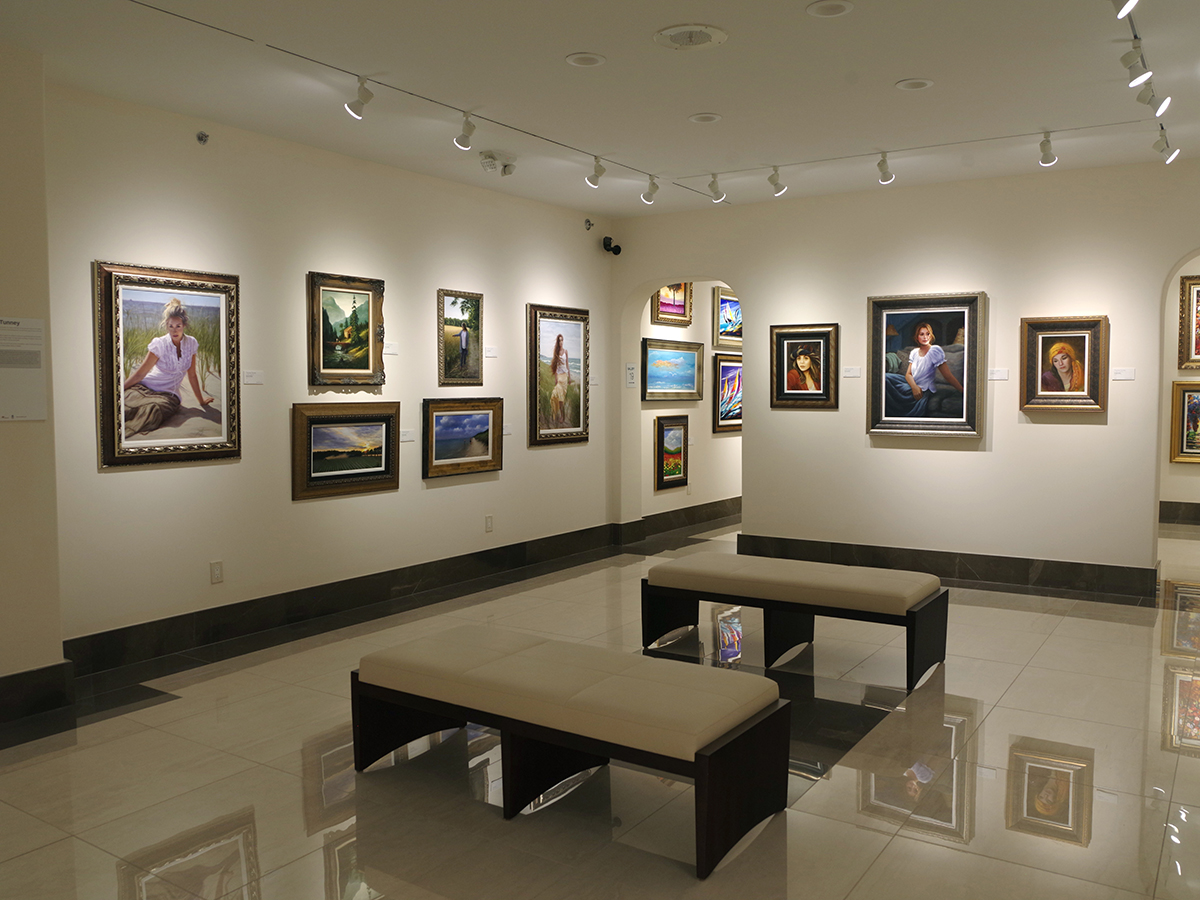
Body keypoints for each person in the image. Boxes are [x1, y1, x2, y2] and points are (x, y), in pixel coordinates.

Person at [122, 298, 213, 437]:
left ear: (184, 325)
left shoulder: (191, 343)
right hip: (146, 387)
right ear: (166, 326)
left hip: (169, 395)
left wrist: (201, 401)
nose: (174, 330)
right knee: (126, 404)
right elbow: (140, 374)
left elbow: (192, 375)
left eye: (178, 326)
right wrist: (119, 390)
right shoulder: (159, 344)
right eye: (171, 326)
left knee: (153, 411)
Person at [884, 321, 963, 417]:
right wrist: (914, 387)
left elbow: (947, 375)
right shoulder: (914, 352)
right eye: (921, 334)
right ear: (917, 337)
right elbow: (908, 374)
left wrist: (962, 390)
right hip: (912, 383)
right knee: (885, 377)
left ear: (931, 336)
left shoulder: (935, 351)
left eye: (927, 334)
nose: (925, 337)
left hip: (924, 387)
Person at [548, 333, 570, 426]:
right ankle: (559, 414)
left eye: (562, 340)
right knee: (555, 395)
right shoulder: (556, 353)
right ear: (558, 342)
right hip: (559, 377)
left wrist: (570, 377)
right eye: (559, 340)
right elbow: (556, 367)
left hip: (564, 377)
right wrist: (556, 378)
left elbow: (567, 364)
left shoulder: (565, 351)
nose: (561, 342)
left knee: (562, 398)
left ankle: (562, 415)